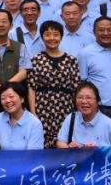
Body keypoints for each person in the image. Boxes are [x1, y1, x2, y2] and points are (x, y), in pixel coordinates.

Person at [27, 20, 80, 149]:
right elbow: (31, 88)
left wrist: (76, 113)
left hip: (65, 109)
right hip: (42, 109)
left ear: (61, 37)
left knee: (64, 142)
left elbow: (76, 88)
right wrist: (33, 113)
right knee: (42, 144)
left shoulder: (71, 60)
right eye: (47, 34)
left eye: (56, 34)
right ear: (42, 37)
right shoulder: (36, 59)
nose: (52, 38)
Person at [0, 82, 44, 151]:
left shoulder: (34, 124)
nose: (7, 101)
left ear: (22, 99)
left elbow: (32, 155)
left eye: (11, 97)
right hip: (3, 158)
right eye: (3, 98)